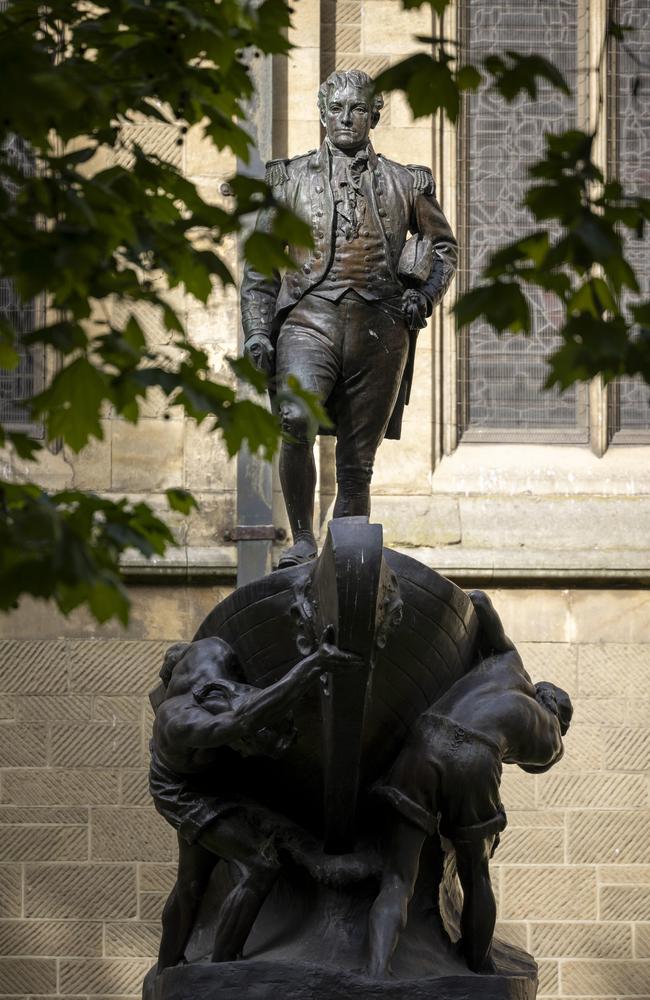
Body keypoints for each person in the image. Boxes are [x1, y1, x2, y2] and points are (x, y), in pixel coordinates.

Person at [241, 68, 457, 568]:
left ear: (374, 116)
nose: (345, 118)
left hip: (380, 329)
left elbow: (444, 249)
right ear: (321, 113)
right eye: (335, 108)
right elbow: (260, 266)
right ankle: (300, 539)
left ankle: (343, 565)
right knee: (294, 417)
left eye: (357, 109)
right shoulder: (289, 179)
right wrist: (256, 331)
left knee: (358, 464)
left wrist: (424, 295)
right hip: (308, 319)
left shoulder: (408, 182)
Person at [366, 591, 573, 978]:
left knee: (397, 879)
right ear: (558, 714)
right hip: (476, 756)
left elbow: (477, 599)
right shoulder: (552, 742)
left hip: (425, 737)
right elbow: (523, 761)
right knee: (475, 872)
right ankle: (479, 967)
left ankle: (375, 972)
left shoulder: (510, 664)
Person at [150, 627, 368, 971]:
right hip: (182, 793)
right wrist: (311, 665)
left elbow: (250, 710)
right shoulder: (178, 721)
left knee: (191, 881)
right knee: (260, 864)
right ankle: (223, 966)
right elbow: (239, 721)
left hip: (215, 777)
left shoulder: (216, 671)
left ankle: (167, 965)